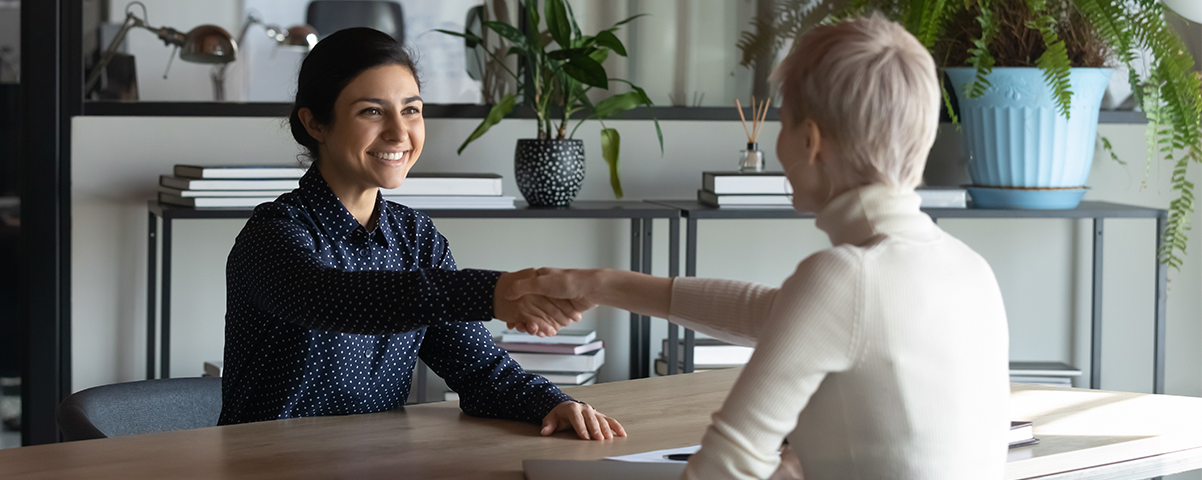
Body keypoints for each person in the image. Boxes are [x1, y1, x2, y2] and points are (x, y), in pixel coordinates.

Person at [508, 15, 1010, 479]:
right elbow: (772, 312)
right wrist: (600, 283)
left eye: (784, 121)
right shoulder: (968, 268)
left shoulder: (846, 276)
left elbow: (728, 465)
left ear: (811, 141)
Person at [218, 27, 626, 441]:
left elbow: (476, 367)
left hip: (377, 464)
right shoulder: (273, 233)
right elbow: (334, 297)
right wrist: (492, 292)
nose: (399, 132)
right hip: (265, 464)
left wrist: (553, 403)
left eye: (411, 109)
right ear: (315, 123)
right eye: (372, 112)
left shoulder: (415, 236)